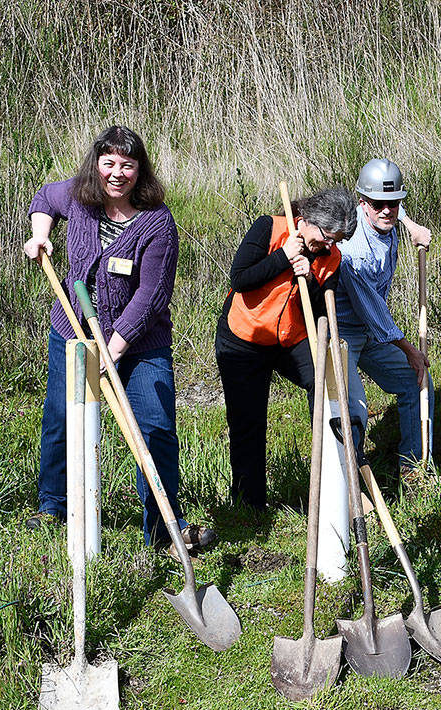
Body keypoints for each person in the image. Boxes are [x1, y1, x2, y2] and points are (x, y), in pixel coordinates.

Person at [23, 125, 214, 554]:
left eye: (127, 164)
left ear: (139, 171)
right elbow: (44, 199)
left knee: (156, 428)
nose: (117, 172)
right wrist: (40, 234)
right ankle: (53, 506)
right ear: (97, 165)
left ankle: (164, 527)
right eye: (108, 163)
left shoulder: (157, 222)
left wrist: (114, 348)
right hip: (72, 332)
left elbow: (151, 295)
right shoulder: (79, 197)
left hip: (140, 346)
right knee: (60, 420)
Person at [215, 186, 356, 512]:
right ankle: (250, 506)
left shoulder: (330, 258)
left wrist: (311, 281)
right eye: (325, 237)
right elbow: (240, 279)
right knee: (248, 422)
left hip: (291, 339)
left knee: (325, 383)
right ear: (306, 220)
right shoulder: (271, 228)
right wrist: (282, 257)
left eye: (337, 240)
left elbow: (322, 313)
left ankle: (332, 485)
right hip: (244, 339)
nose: (328, 245)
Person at [336, 158, 434, 473]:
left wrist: (410, 225)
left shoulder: (387, 215)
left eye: (394, 203)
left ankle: (414, 467)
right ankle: (352, 482)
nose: (387, 210)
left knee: (416, 382)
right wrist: (411, 351)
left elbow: (392, 211)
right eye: (378, 204)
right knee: (354, 410)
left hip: (371, 332)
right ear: (362, 203)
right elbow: (375, 314)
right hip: (343, 335)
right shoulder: (355, 252)